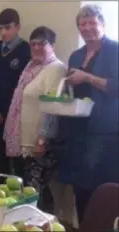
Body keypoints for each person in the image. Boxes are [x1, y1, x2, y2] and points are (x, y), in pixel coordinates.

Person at [53, 4, 118, 224]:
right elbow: (75, 88)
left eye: (92, 23)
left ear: (102, 24)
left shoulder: (115, 50)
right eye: (83, 24)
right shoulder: (76, 55)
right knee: (79, 188)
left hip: (104, 131)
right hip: (77, 129)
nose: (87, 28)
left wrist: (87, 78)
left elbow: (116, 87)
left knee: (101, 189)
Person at [3, 26, 75, 222]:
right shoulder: (31, 67)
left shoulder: (55, 68)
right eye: (32, 43)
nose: (35, 47)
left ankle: (42, 226)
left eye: (41, 43)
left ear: (52, 45)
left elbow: (51, 106)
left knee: (36, 195)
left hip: (39, 142)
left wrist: (41, 139)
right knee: (24, 194)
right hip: (22, 141)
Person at [0, 8, 31, 174]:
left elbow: (21, 88)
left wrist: (5, 113)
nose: (3, 32)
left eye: (7, 28)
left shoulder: (26, 51)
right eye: (0, 28)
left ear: (17, 27)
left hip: (14, 117)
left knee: (17, 167)